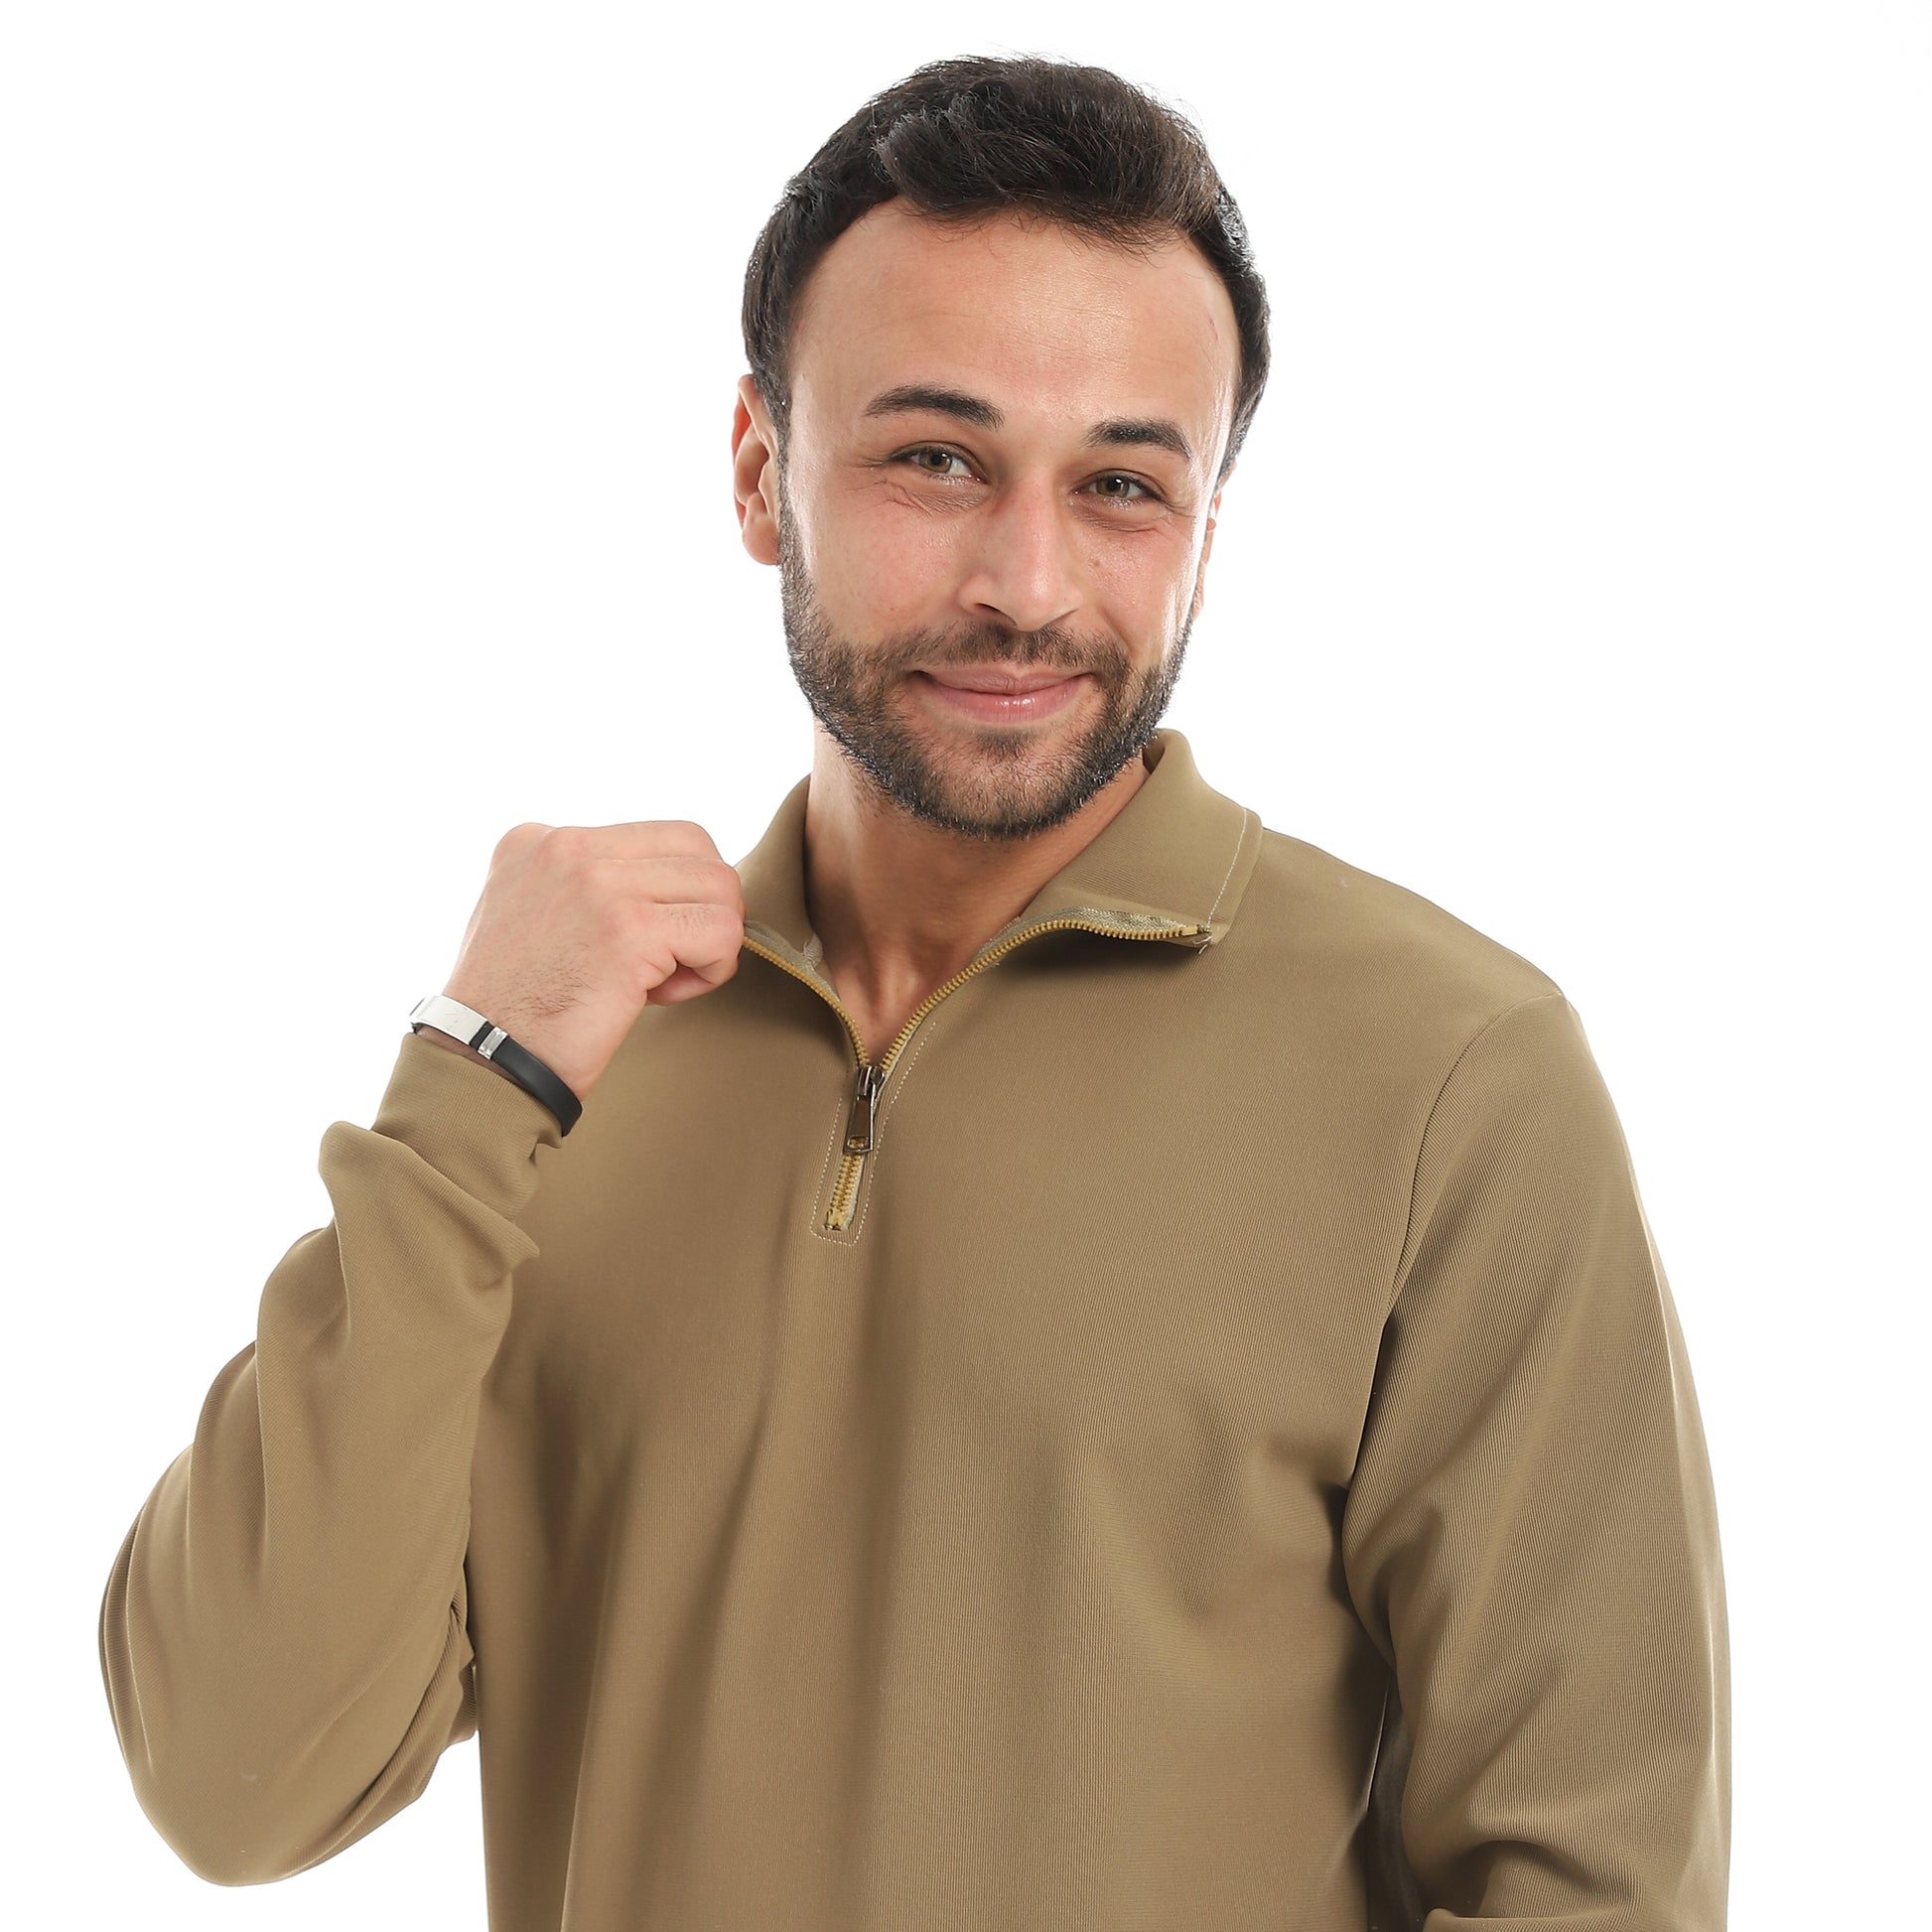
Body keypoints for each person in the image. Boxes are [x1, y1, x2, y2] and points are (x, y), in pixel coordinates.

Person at [97, 52, 1730, 1932]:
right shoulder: (569, 1066)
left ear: (1207, 530)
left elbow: (1595, 1879)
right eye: (935, 459)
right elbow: (235, 1779)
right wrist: (473, 1085)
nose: (1027, 583)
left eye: (1122, 484)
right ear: (757, 470)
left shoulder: (1450, 1073)